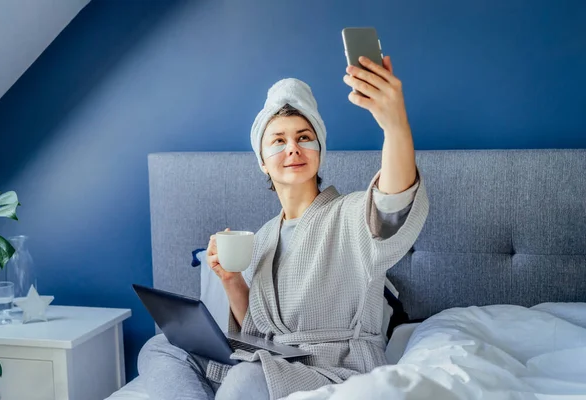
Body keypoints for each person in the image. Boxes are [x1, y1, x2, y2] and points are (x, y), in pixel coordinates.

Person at [138, 55, 429, 400]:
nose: (293, 148)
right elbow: (261, 330)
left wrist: (394, 125)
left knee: (244, 380)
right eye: (278, 140)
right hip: (273, 359)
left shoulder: (350, 215)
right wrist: (232, 280)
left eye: (304, 137)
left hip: (334, 365)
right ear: (262, 161)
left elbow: (391, 202)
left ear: (319, 151)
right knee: (160, 348)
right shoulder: (262, 238)